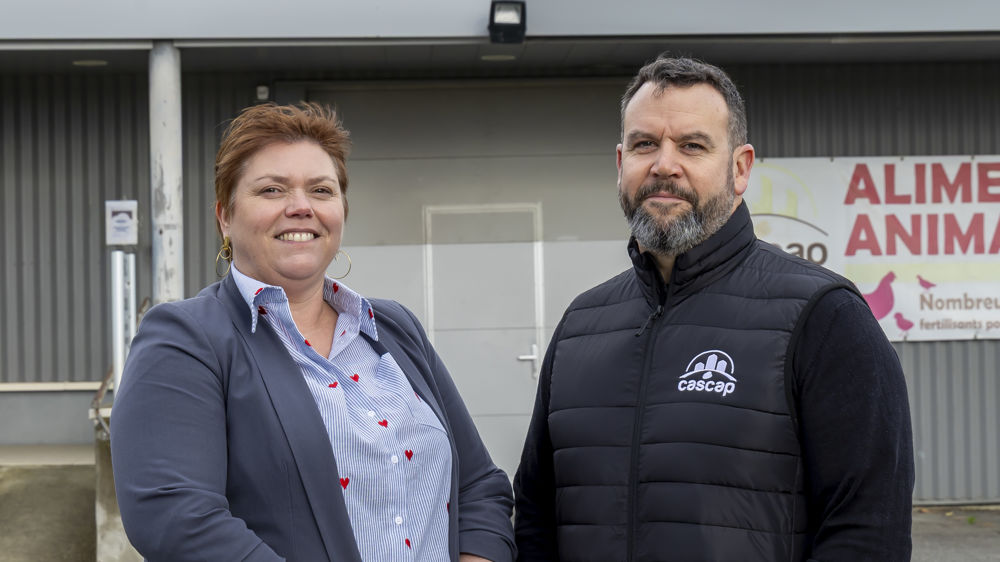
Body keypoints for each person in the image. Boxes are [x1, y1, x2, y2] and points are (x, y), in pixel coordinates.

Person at [513, 56, 914, 561]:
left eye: (692, 145)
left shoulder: (824, 318)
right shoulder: (581, 326)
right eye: (644, 144)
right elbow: (534, 516)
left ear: (740, 167)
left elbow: (868, 534)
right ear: (620, 164)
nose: (663, 164)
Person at [111, 102, 515, 562]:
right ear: (225, 215)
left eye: (320, 190)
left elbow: (480, 486)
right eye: (271, 190)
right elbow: (176, 515)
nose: (300, 207)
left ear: (341, 209)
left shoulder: (393, 328)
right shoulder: (187, 338)